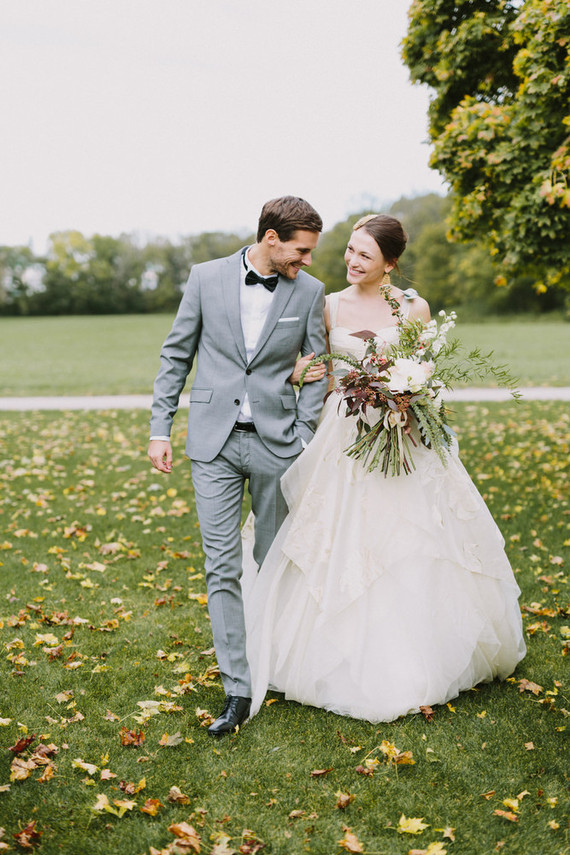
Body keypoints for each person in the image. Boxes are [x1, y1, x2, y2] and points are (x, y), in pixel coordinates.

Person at [242, 213, 526, 723]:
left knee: (412, 536)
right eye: (350, 250)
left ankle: (420, 652)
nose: (352, 261)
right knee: (335, 537)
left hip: (401, 432)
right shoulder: (325, 305)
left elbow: (422, 368)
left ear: (389, 264)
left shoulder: (412, 306)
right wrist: (308, 374)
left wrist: (408, 397)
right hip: (344, 434)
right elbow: (310, 366)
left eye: (365, 255)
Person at [148, 196, 328, 736]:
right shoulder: (205, 278)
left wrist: (301, 436)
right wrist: (160, 428)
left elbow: (317, 370)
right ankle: (236, 688)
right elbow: (176, 355)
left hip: (277, 444)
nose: (308, 260)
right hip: (213, 443)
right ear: (271, 238)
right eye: (301, 250)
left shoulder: (310, 292)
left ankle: (279, 665)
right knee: (221, 564)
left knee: (273, 560)